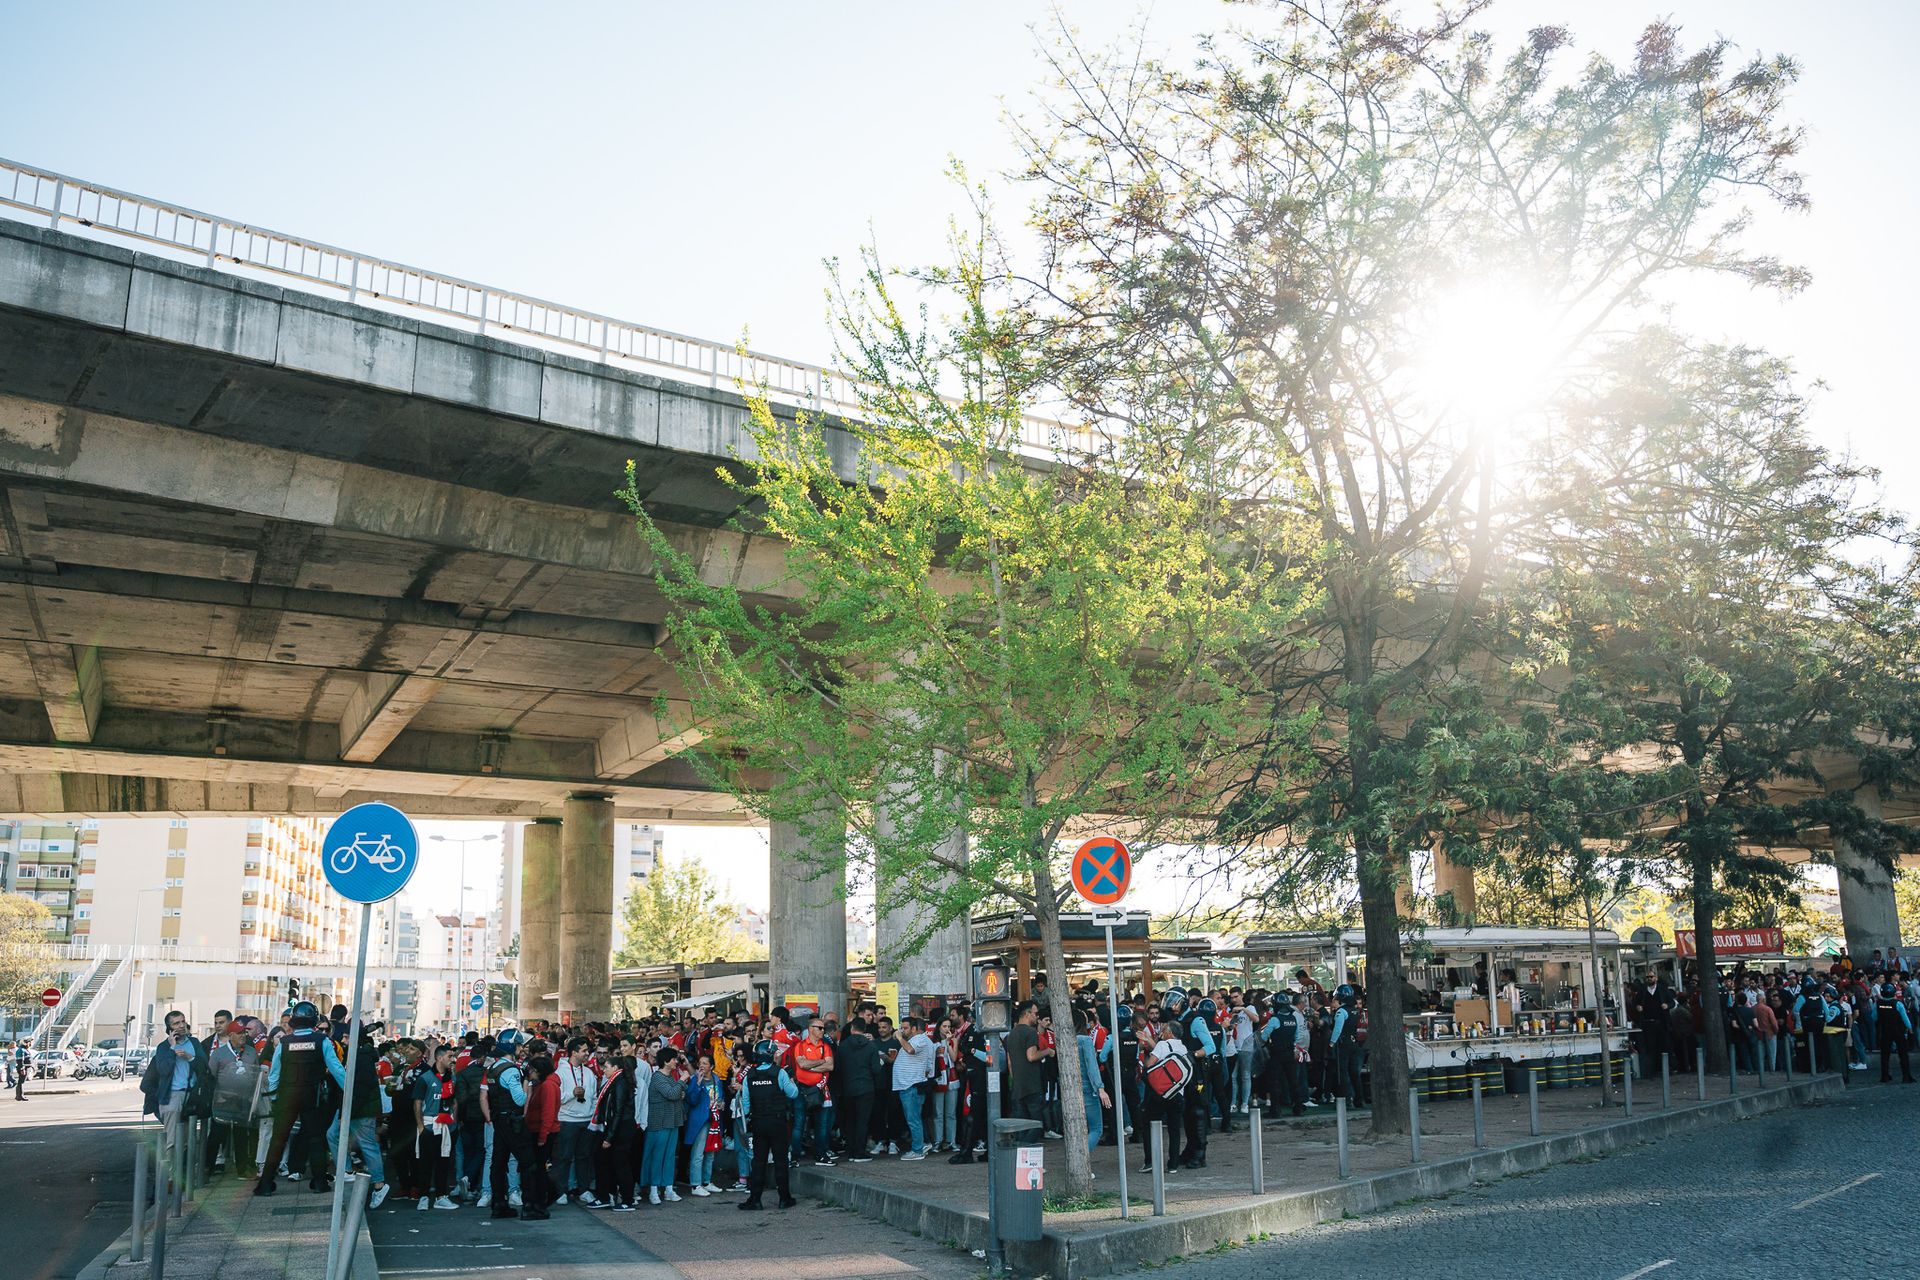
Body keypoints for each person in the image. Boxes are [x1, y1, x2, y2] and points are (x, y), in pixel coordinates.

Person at [254, 1002, 338, 1196]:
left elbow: (274, 1075)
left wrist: (274, 1097)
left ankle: (265, 1185)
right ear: (315, 1020)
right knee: (316, 1139)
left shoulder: (284, 1043)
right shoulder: (322, 1041)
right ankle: (319, 1182)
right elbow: (336, 1069)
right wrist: (347, 1090)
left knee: (278, 1140)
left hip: (287, 1097)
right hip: (312, 1097)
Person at [738, 1039, 799, 1211]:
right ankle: (784, 1199)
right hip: (778, 1122)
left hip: (758, 1122)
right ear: (770, 1055)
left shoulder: (749, 1076)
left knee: (758, 1161)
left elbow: (746, 1105)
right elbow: (793, 1094)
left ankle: (755, 1199)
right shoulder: (779, 1073)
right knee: (780, 1160)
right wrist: (791, 1079)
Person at [485, 1028, 538, 1220]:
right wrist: (528, 1087)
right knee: (528, 1163)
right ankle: (531, 1207)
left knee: (498, 1163)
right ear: (511, 1046)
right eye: (519, 1045)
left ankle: (499, 1205)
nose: (521, 1048)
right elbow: (519, 1100)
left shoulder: (493, 1068)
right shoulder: (511, 1070)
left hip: (499, 1120)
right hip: (513, 1122)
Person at [208, 1018, 261, 1181]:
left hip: (244, 1101)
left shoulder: (251, 1052)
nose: (243, 1036)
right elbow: (210, 1077)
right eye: (239, 1033)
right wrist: (217, 1096)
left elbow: (256, 1074)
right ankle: (207, 1168)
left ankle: (243, 1169)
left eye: (244, 1032)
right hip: (224, 1101)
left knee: (241, 1135)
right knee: (217, 1135)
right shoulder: (218, 1054)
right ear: (231, 1035)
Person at [552, 1038, 600, 1206]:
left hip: (586, 1120)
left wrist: (594, 1117)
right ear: (573, 1052)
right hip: (566, 1120)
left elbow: (594, 1097)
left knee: (584, 1157)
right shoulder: (560, 1072)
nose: (587, 1054)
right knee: (563, 1158)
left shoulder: (588, 1073)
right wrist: (572, 1093)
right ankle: (561, 1191)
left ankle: (584, 1190)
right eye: (584, 1050)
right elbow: (557, 1098)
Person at [413, 1042, 460, 1211]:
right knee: (425, 1163)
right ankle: (424, 1197)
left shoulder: (451, 1078)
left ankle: (441, 1196)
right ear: (439, 1058)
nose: (452, 1060)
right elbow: (417, 1103)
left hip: (446, 1125)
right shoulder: (425, 1078)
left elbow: (454, 1101)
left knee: (443, 1162)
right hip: (429, 1124)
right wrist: (420, 1126)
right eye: (450, 1056)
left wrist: (454, 1121)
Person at [592, 1054, 637, 1210]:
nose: (604, 1070)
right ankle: (604, 1196)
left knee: (621, 1164)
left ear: (616, 1068)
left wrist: (609, 1137)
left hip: (620, 1129)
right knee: (605, 1163)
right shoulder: (614, 1082)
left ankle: (627, 1200)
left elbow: (618, 1111)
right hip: (614, 1127)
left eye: (607, 1067)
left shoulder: (620, 1083)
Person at [642, 1047, 687, 1204]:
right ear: (666, 1061)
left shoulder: (669, 1077)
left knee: (669, 1157)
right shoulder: (658, 1078)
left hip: (672, 1122)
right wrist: (682, 1080)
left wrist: (680, 1086)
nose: (676, 1062)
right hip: (659, 1123)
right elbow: (673, 1094)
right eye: (674, 1059)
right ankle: (654, 1190)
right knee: (657, 1156)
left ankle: (668, 1188)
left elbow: (679, 1092)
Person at [789, 1017, 835, 1165]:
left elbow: (830, 1066)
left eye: (824, 1028)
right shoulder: (801, 1045)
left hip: (820, 1089)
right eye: (819, 1028)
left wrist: (811, 1066)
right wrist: (821, 1062)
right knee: (799, 1124)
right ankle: (794, 1156)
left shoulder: (825, 1046)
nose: (823, 1031)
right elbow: (801, 1064)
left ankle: (821, 1155)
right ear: (810, 1029)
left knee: (822, 1124)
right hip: (802, 1089)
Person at [891, 1016, 936, 1159]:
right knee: (914, 1118)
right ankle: (921, 1144)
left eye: (905, 1028)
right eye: (902, 1028)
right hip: (907, 1085)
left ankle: (917, 1150)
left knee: (913, 1119)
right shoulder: (913, 1040)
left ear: (914, 1028)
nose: (902, 1031)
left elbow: (910, 1050)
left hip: (911, 1086)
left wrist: (899, 1037)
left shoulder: (920, 1040)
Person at [684, 1054, 726, 1194]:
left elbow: (720, 1096)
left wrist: (722, 1103)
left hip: (714, 1119)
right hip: (700, 1120)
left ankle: (706, 1181)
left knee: (710, 1152)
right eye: (700, 1063)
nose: (701, 1066)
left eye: (705, 1063)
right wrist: (696, 1084)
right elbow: (692, 1100)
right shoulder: (696, 1079)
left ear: (712, 1066)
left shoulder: (717, 1079)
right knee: (698, 1153)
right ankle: (696, 1184)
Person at [1004, 1001, 1049, 1128]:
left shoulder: (1011, 1034)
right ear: (1027, 1014)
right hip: (1032, 1085)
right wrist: (1048, 1051)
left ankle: (1022, 1146)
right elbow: (1032, 1056)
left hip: (1018, 1086)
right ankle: (1029, 1146)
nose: (1037, 1017)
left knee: (1021, 1125)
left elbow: (1009, 1061)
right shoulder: (1030, 1032)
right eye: (1035, 1013)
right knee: (1036, 1124)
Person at [1072, 1010, 1111, 1151]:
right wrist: (1100, 1088)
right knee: (1096, 1128)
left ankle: (1075, 1158)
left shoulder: (1065, 1041)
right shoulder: (1085, 1040)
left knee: (1076, 1131)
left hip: (1071, 1091)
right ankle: (1081, 1158)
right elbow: (1092, 1066)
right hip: (1088, 1089)